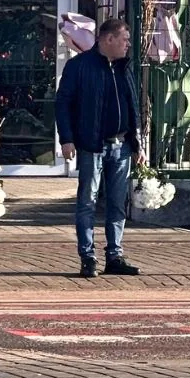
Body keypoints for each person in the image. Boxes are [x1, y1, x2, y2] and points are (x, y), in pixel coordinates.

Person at [55, 17, 143, 278]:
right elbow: (63, 103)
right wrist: (67, 138)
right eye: (124, 39)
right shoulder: (79, 66)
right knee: (87, 201)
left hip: (122, 145)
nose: (128, 45)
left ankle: (115, 255)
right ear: (109, 39)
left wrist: (137, 144)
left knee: (117, 203)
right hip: (92, 145)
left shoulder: (124, 67)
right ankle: (88, 257)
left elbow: (133, 106)